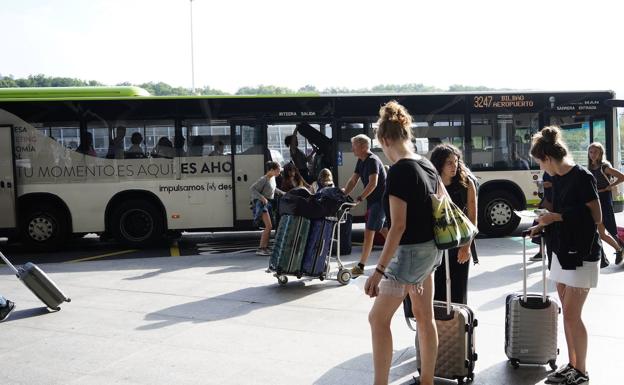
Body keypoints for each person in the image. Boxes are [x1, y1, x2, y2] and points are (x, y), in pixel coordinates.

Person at [365, 101, 441, 385]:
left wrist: (379, 270)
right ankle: (428, 381)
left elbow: (398, 226)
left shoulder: (398, 171)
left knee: (378, 320)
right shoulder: (427, 165)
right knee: (425, 316)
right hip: (431, 251)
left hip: (409, 254)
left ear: (385, 139)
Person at [529, 126, 600, 385]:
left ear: (547, 157)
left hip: (582, 253)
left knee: (572, 315)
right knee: (568, 314)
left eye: (539, 161)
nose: (539, 166)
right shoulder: (555, 179)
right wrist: (541, 224)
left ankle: (581, 371)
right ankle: (571, 365)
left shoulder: (582, 176)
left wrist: (555, 217)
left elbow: (596, 217)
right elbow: (555, 210)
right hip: (560, 250)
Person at [430, 144, 477, 305]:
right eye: (449, 162)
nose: (454, 166)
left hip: (460, 243)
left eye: (456, 161)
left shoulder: (466, 183)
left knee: (458, 292)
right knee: (437, 294)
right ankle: (439, 328)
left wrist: (466, 246)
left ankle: (457, 327)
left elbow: (472, 218)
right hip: (436, 246)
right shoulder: (431, 184)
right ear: (439, 164)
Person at [343, 134, 388, 277]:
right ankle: (401, 253)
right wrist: (343, 193)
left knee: (369, 233)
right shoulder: (361, 160)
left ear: (363, 147)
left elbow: (373, 183)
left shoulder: (372, 161)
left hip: (379, 201)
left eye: (354, 146)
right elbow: (353, 179)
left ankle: (361, 266)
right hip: (374, 201)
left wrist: (360, 198)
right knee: (383, 230)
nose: (352, 149)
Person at [587, 142, 624, 265]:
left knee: (608, 229)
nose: (592, 155)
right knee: (600, 232)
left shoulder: (604, 167)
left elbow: (622, 176)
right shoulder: (589, 167)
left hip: (603, 199)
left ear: (600, 153)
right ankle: (611, 253)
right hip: (593, 199)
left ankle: (619, 249)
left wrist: (609, 187)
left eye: (595, 152)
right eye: (591, 152)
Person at [250, 161, 284, 256]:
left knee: (269, 227)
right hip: (261, 204)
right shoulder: (264, 179)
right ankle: (261, 248)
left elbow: (274, 189)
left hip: (268, 204)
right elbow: (252, 189)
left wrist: (283, 193)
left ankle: (265, 247)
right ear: (271, 170)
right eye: (277, 171)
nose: (279, 173)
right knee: (268, 226)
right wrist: (262, 197)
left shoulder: (272, 178)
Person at [530, 171, 553, 261]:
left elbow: (561, 184)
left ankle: (542, 252)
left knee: (543, 226)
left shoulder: (556, 169)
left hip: (551, 201)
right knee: (539, 225)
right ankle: (541, 252)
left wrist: (549, 184)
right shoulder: (547, 170)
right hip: (547, 200)